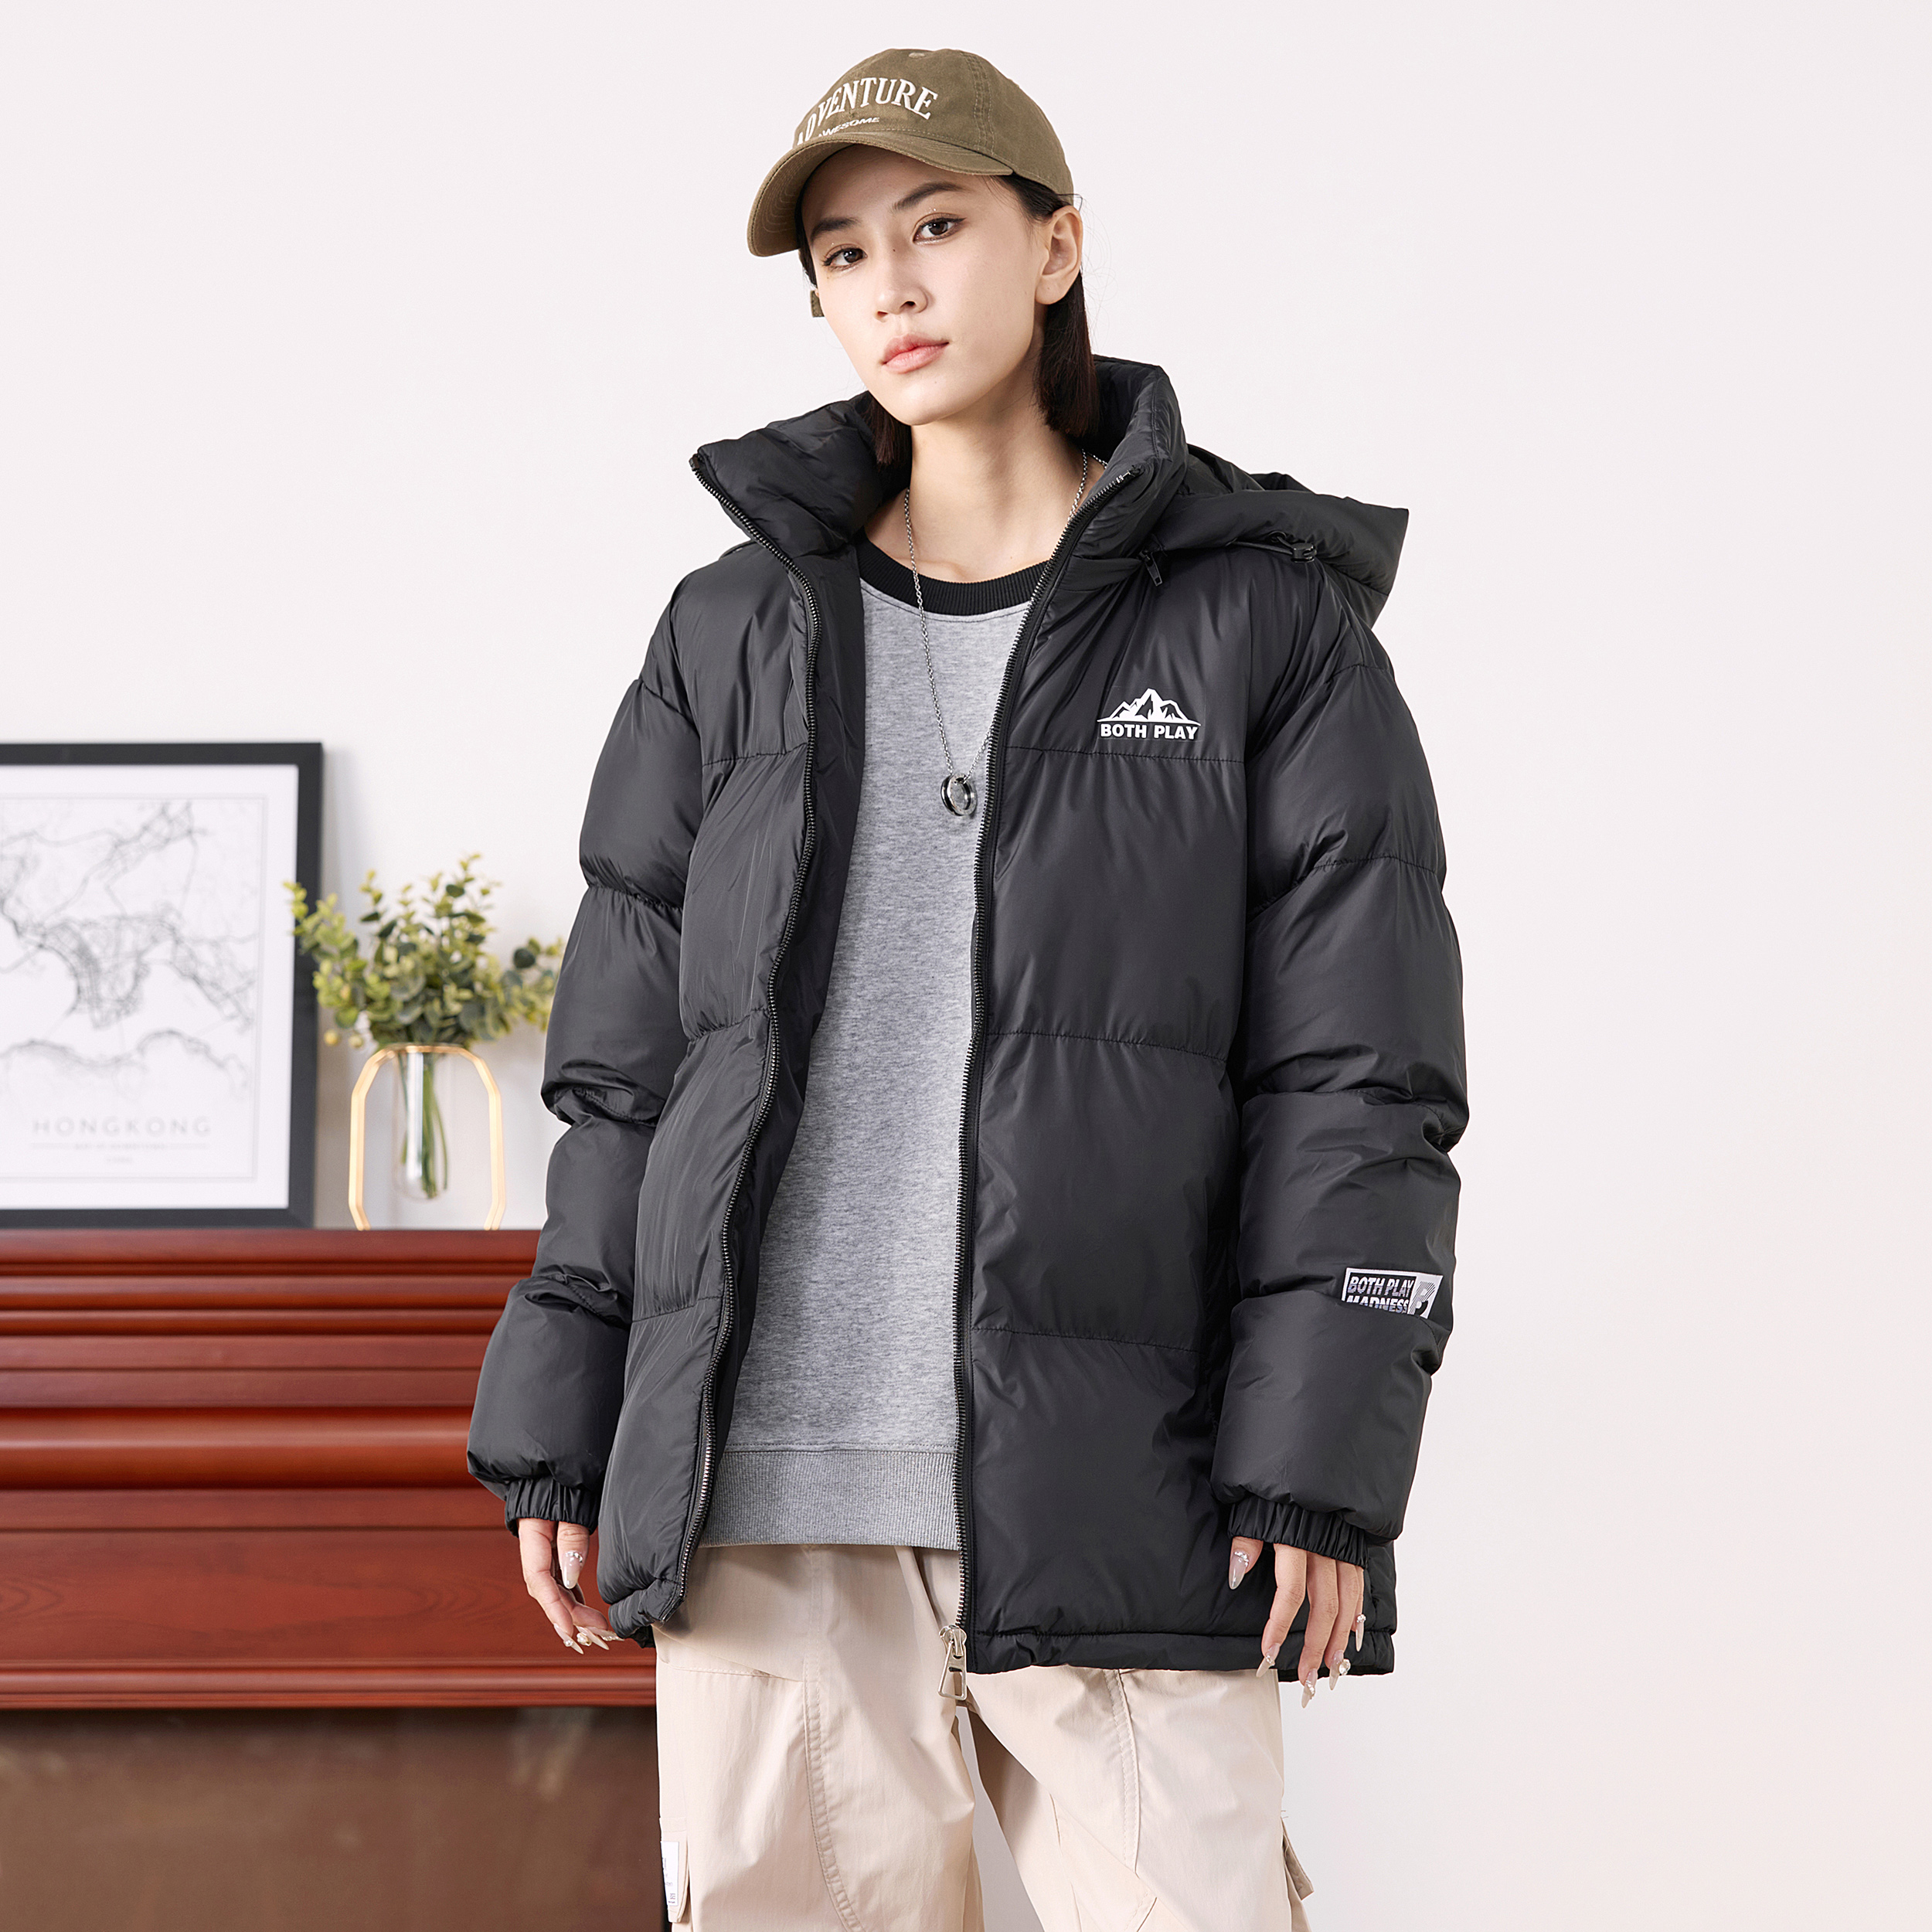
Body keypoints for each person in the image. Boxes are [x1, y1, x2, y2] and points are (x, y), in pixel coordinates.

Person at [467, 45, 1466, 1931]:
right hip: (768, 1508)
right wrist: (562, 1422)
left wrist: (1318, 1467)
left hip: (1128, 1496)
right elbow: (626, 1077)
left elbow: (1361, 1075)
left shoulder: (1260, 620)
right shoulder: (729, 626)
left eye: (935, 226)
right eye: (842, 255)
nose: (891, 287)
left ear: (1055, 244)